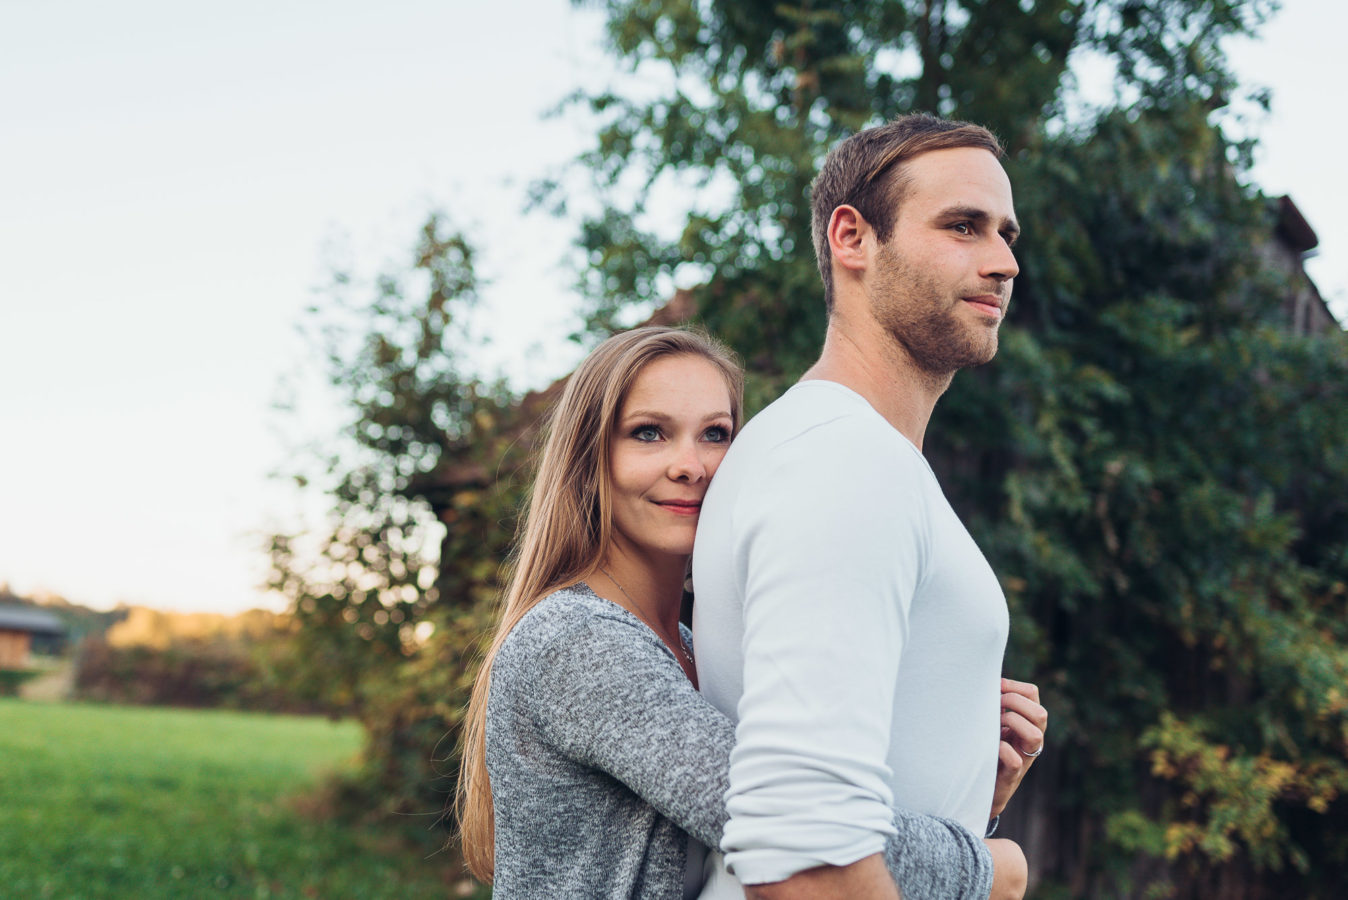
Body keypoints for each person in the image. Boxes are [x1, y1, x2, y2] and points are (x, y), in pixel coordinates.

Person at [456, 325, 1012, 899]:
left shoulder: (693, 649)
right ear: (589, 460)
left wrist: (977, 791)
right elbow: (803, 831)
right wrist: (993, 868)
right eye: (649, 434)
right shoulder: (577, 641)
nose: (690, 465)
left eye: (716, 435)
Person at [692, 113, 1048, 899]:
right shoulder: (841, 457)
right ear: (852, 238)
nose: (1004, 262)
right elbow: (806, 859)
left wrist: (964, 787)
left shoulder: (861, 456)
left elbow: (846, 813)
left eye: (1007, 235)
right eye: (963, 226)